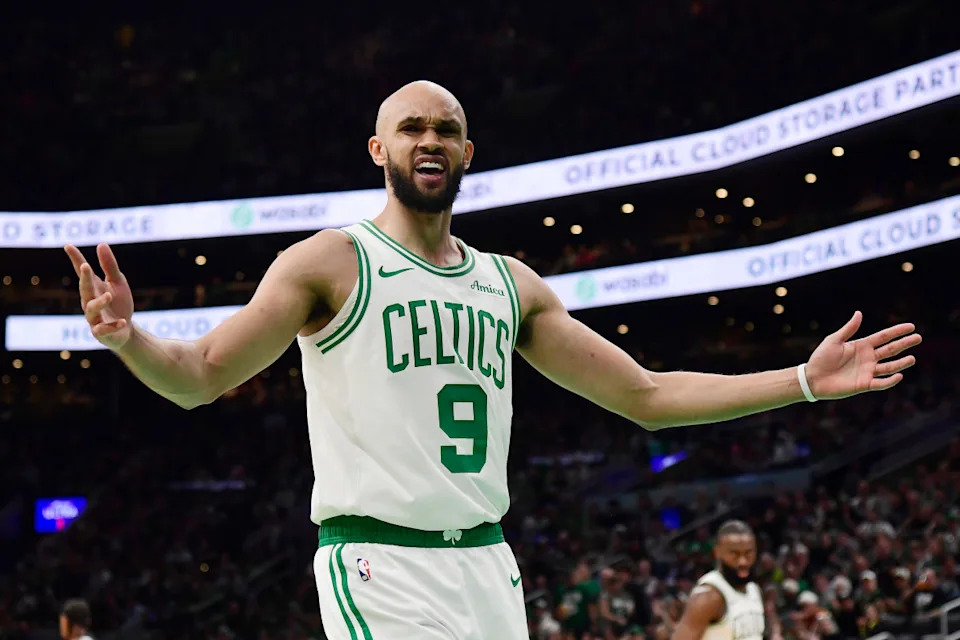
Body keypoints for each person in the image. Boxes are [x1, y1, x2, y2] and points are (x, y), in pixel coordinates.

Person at [64, 80, 922, 639]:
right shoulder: (332, 261)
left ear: (468, 153)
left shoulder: (511, 284)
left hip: (488, 563)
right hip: (379, 562)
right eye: (410, 128)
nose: (429, 140)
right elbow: (203, 375)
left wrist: (802, 382)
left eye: (447, 129)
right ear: (379, 150)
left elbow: (647, 394)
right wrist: (130, 338)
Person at [671, 521, 770, 640]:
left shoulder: (754, 589)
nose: (743, 561)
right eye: (735, 554)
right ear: (717, 552)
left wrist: (776, 633)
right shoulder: (707, 595)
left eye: (748, 553)